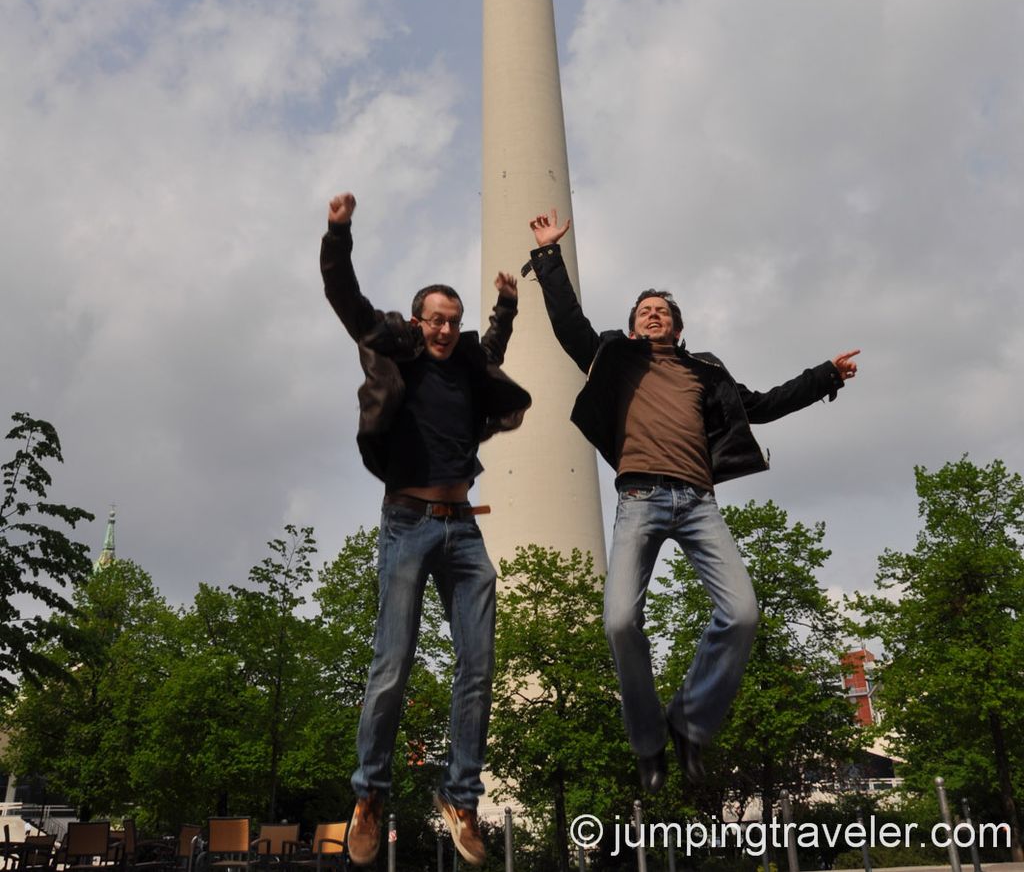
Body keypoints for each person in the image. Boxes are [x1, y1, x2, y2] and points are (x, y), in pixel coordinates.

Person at [526, 208, 859, 794]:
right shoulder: (612, 358)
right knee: (621, 621)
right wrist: (549, 255)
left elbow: (764, 404)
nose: (653, 316)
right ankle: (648, 742)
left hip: (698, 502)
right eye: (644, 311)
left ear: (678, 328)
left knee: (743, 614)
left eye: (663, 312)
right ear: (632, 327)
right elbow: (568, 323)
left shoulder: (705, 372)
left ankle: (689, 724)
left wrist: (824, 376)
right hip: (639, 498)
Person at [322, 192, 531, 866]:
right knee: (393, 661)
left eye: (453, 320)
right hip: (408, 522)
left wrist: (505, 306)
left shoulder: (467, 361)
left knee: (479, 664)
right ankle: (370, 793)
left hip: (464, 528)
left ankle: (461, 798)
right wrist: (339, 231)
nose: (444, 329)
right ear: (417, 321)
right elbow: (346, 298)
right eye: (435, 319)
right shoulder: (398, 352)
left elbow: (492, 352)